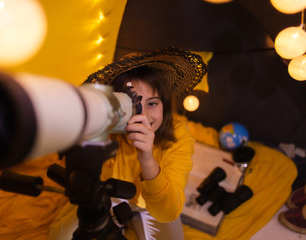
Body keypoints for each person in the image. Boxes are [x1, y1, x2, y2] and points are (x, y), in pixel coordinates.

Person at [48, 47, 208, 240]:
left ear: (164, 105)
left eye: (152, 103)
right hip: (108, 194)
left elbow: (168, 211)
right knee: (60, 237)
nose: (143, 115)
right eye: (133, 104)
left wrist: (147, 158)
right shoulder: (106, 124)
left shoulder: (178, 136)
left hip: (149, 203)